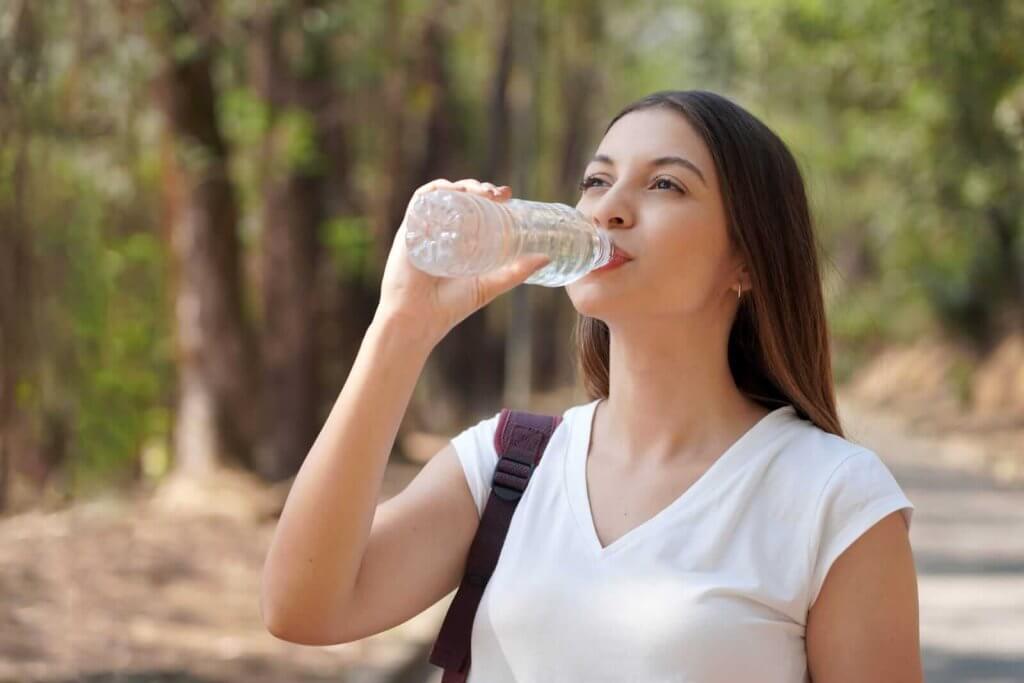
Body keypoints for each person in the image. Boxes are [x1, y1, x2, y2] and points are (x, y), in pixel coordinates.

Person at [260, 90, 922, 682]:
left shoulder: (833, 497)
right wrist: (400, 327)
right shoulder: (507, 464)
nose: (609, 208)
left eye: (665, 184)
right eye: (596, 180)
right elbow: (303, 607)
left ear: (746, 261)